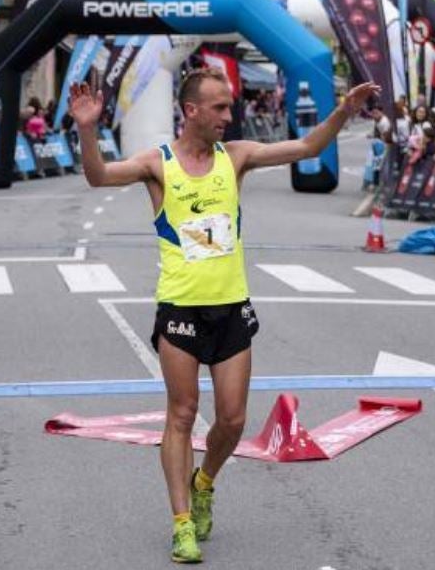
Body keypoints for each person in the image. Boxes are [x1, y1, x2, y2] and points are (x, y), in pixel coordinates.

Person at [71, 68, 379, 564]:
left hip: (232, 306)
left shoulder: (235, 157)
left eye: (229, 107)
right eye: (218, 107)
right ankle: (181, 524)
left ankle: (205, 481)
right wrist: (87, 128)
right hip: (180, 309)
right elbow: (98, 176)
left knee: (233, 419)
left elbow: (306, 149)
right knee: (182, 413)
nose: (227, 116)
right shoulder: (158, 164)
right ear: (190, 110)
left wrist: (344, 111)